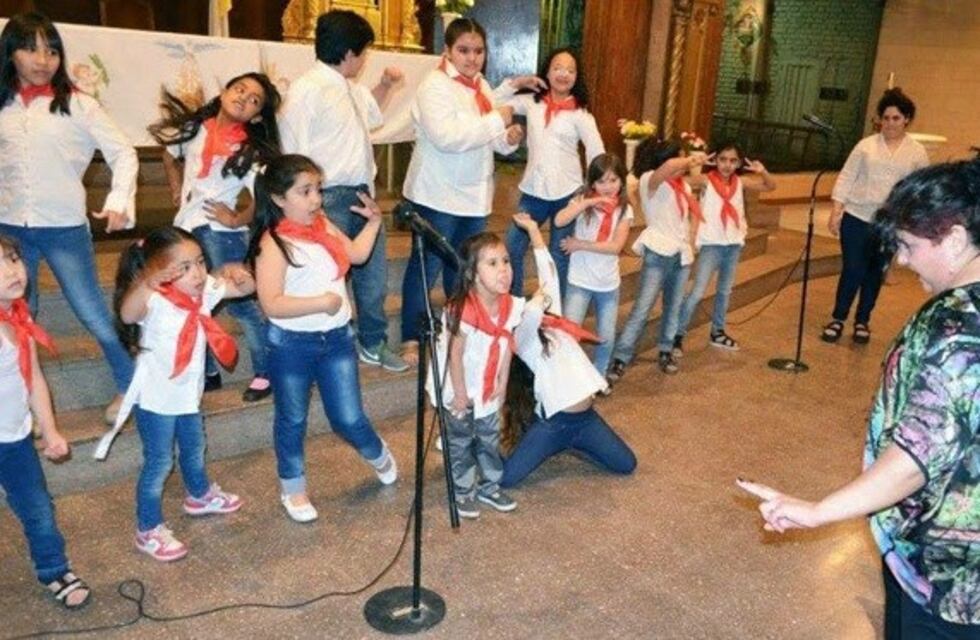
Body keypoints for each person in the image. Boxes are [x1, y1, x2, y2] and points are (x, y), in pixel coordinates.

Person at [739, 159, 980, 638]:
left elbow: (917, 458)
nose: (903, 261)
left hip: (943, 572)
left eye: (910, 246)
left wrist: (816, 511)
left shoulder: (957, 329)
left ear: (954, 239)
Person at [0, 12, 136, 424]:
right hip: (8, 230)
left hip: (62, 227)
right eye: (31, 48)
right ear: (10, 54)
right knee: (18, 318)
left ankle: (132, 386)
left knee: (92, 311)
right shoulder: (3, 106)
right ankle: (22, 405)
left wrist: (119, 199)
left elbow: (123, 153)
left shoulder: (78, 103)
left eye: (52, 49)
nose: (43, 59)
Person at [249, 154, 398, 524]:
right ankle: (293, 486)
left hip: (336, 340)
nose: (316, 198)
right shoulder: (274, 244)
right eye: (305, 191)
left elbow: (358, 255)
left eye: (317, 189)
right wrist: (321, 302)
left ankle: (378, 452)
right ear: (279, 199)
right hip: (291, 345)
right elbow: (271, 303)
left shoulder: (323, 226)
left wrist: (375, 222)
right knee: (292, 418)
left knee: (348, 416)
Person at [399, 17, 540, 364]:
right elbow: (450, 138)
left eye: (478, 51)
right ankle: (412, 338)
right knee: (425, 268)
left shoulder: (480, 87)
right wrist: (499, 120)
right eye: (463, 50)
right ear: (447, 50)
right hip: (438, 194)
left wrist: (508, 139)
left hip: (474, 197)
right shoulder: (434, 86)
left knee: (463, 269)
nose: (472, 58)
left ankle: (457, 328)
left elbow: (489, 139)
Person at [110, 227, 253, 561]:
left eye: (200, 262)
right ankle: (148, 529)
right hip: (156, 400)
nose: (198, 273)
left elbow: (243, 287)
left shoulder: (203, 293)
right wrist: (148, 282)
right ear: (160, 272)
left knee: (194, 446)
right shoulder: (155, 300)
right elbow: (127, 313)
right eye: (184, 267)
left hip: (188, 397)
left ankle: (198, 494)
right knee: (159, 462)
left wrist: (241, 276)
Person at [279, 9, 408, 373]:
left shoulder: (349, 88)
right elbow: (293, 149)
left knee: (372, 278)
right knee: (329, 276)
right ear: (349, 53)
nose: (364, 59)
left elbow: (371, 117)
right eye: (364, 52)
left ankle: (372, 342)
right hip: (328, 197)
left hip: (362, 195)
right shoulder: (307, 89)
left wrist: (383, 85)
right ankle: (328, 351)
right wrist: (306, 203)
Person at [149, 72, 281, 402]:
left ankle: (267, 372)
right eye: (239, 90)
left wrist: (236, 217)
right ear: (223, 92)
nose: (243, 98)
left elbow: (260, 196)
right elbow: (168, 150)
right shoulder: (197, 128)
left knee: (241, 307)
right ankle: (206, 370)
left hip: (223, 235)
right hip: (187, 229)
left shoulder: (249, 148)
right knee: (191, 301)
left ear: (257, 115)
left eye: (254, 100)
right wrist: (175, 185)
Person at [500, 215, 635, 487]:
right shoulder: (523, 340)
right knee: (505, 479)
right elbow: (536, 308)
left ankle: (573, 445)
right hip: (555, 423)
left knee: (627, 465)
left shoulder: (555, 319)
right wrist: (536, 300)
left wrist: (534, 230)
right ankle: (543, 443)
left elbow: (548, 272)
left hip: (586, 419)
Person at [0, 234, 91, 608]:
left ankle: (54, 568)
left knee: (37, 507)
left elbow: (33, 376)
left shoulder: (18, 319)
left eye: (13, 258)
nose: (12, 270)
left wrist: (50, 429)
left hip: (16, 439)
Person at [428, 232, 524, 519]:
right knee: (460, 440)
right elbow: (454, 356)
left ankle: (490, 485)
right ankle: (463, 490)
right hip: (461, 385)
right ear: (472, 274)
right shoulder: (463, 309)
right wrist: (459, 393)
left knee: (489, 437)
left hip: (489, 384)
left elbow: (507, 345)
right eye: (492, 263)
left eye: (506, 261)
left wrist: (503, 382)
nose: (504, 270)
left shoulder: (511, 306)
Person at [821, 88, 928, 345]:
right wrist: (837, 210)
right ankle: (838, 317)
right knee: (853, 269)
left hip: (890, 223)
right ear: (879, 119)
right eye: (886, 118)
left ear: (907, 120)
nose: (890, 123)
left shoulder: (917, 152)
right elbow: (846, 176)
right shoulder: (866, 146)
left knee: (874, 272)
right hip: (857, 217)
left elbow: (920, 189)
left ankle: (862, 320)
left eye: (896, 118)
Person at [498, 47, 604, 298]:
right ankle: (514, 304)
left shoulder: (581, 114)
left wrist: (592, 192)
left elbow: (596, 153)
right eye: (557, 68)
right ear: (547, 70)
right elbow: (493, 101)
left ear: (577, 76)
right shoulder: (531, 102)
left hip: (568, 194)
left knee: (559, 255)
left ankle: (554, 313)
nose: (563, 74)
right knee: (512, 246)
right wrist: (518, 83)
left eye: (570, 70)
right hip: (533, 191)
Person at [607, 139, 703, 380]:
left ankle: (665, 350)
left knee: (673, 307)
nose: (683, 165)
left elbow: (690, 217)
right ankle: (621, 357)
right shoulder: (650, 181)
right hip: (658, 253)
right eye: (679, 159)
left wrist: (691, 241)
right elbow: (670, 166)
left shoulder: (684, 188)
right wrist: (691, 159)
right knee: (643, 307)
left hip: (680, 254)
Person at [672, 142, 776, 355]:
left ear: (738, 163)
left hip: (733, 243)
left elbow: (770, 186)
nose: (727, 165)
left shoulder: (741, 182)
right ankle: (677, 334)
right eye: (722, 159)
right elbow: (679, 181)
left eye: (732, 160)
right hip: (711, 244)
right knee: (698, 291)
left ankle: (717, 331)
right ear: (715, 160)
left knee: (724, 291)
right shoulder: (706, 181)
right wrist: (696, 162)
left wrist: (762, 171)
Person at [553, 153, 632, 380]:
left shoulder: (625, 210)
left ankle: (599, 376)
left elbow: (616, 246)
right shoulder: (583, 201)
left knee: (606, 335)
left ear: (622, 181)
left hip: (608, 283)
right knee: (569, 333)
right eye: (601, 181)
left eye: (613, 180)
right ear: (592, 182)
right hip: (580, 280)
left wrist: (580, 244)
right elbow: (560, 220)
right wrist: (588, 202)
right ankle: (568, 379)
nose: (607, 187)